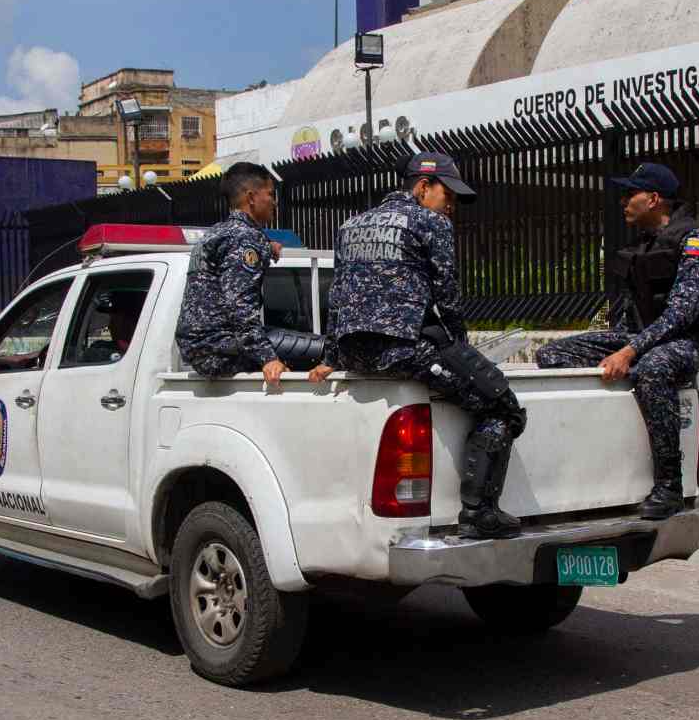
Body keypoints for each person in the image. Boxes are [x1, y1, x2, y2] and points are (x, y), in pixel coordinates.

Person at [308, 153, 527, 540]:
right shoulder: (430, 222)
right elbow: (447, 294)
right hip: (405, 349)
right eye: (449, 195)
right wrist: (463, 353)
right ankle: (479, 513)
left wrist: (330, 358)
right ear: (423, 187)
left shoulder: (349, 225)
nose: (451, 206)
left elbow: (337, 298)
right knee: (503, 407)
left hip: (358, 353)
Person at [535, 163, 699, 520]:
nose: (623, 201)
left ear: (654, 199)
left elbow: (680, 316)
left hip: (686, 342)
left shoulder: (696, 245)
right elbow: (624, 312)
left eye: (630, 194)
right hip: (640, 338)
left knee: (652, 368)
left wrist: (629, 351)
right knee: (553, 354)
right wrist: (617, 345)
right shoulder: (642, 247)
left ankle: (668, 484)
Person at [175, 162, 288, 387]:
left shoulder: (217, 233)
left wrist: (266, 244)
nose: (274, 202)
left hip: (201, 346)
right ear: (251, 197)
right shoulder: (244, 239)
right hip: (223, 348)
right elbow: (239, 305)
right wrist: (267, 357)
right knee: (320, 350)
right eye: (270, 194)